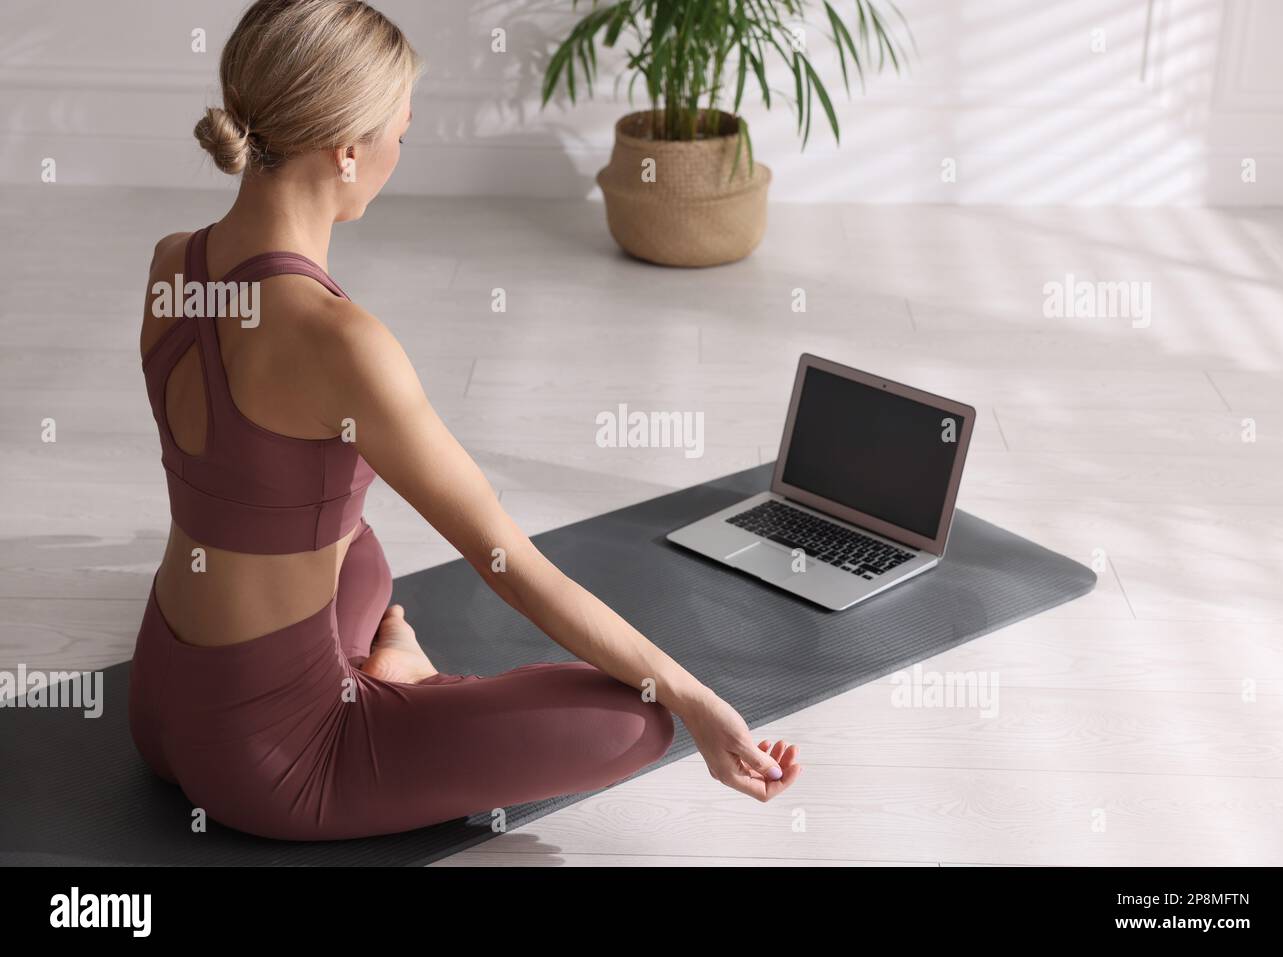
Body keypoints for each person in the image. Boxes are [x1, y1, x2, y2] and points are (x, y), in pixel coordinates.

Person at [128, 0, 800, 841]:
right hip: (272, 761)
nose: (398, 155)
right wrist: (696, 697)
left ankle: (385, 654)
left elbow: (233, 478)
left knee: (358, 552)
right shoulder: (342, 344)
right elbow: (509, 564)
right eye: (399, 134)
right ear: (346, 149)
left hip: (159, 697)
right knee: (637, 723)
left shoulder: (172, 262)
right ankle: (400, 678)